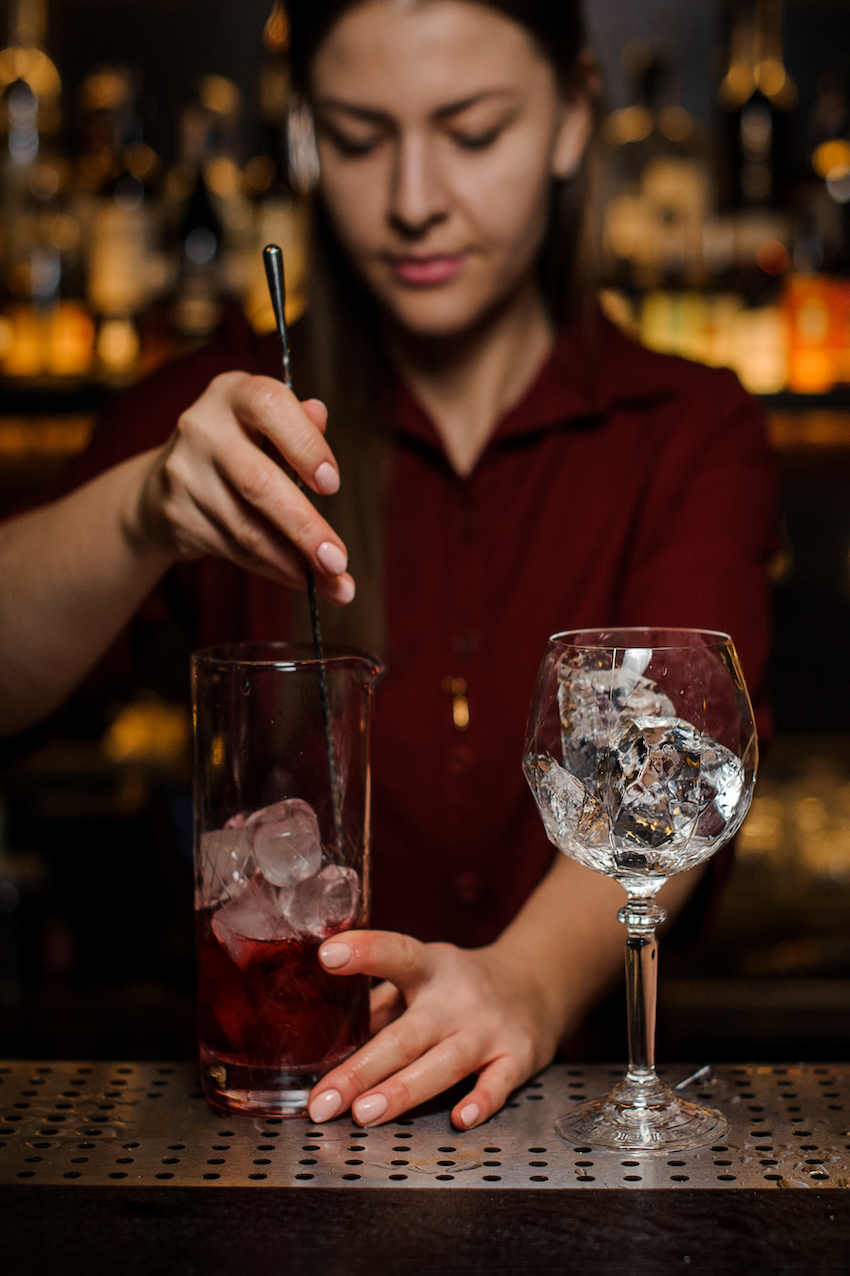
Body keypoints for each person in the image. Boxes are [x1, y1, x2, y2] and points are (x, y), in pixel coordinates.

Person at [0, 0, 776, 1130]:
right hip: (268, 1132)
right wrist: (141, 511)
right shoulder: (215, 412)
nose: (412, 200)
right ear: (309, 136)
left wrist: (524, 981)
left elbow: (688, 766)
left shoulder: (689, 427)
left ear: (571, 119)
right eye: (359, 138)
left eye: (470, 132)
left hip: (582, 1135)